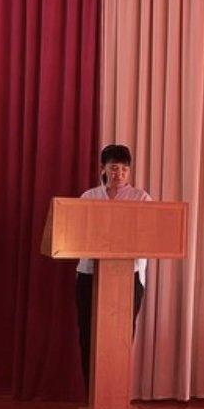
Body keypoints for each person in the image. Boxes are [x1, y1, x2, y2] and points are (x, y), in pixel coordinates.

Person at [76, 144, 152, 389]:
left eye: (124, 169)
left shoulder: (141, 198)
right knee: (89, 333)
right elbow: (77, 232)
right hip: (89, 273)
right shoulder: (89, 197)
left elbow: (148, 234)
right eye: (114, 168)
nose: (119, 173)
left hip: (129, 276)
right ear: (103, 168)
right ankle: (92, 393)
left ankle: (117, 394)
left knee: (121, 336)